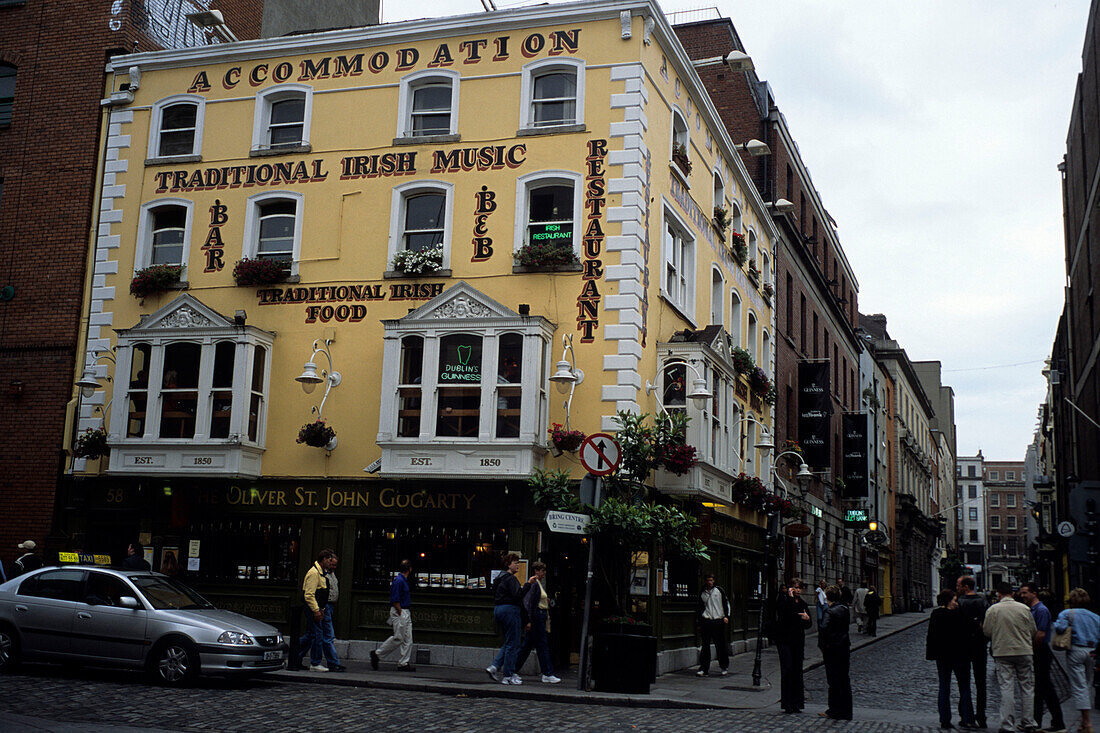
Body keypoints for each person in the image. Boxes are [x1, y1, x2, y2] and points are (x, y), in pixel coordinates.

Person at [983, 581, 1038, 733]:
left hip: (1003, 651)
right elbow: (1033, 630)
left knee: (1006, 688)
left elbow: (987, 631)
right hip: (1024, 650)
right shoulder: (1024, 609)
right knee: (1027, 687)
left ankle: (1007, 724)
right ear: (1013, 594)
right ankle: (1028, 721)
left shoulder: (993, 610)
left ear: (998, 594)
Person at [1020, 582, 1066, 733]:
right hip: (1037, 650)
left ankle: (1058, 722)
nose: (1022, 596)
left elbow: (1040, 634)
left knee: (1046, 688)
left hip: (1041, 651)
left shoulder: (1041, 610)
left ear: (1034, 593)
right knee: (1039, 689)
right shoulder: (1032, 609)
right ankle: (1036, 721)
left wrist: (1031, 650)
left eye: (1025, 593)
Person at [927, 589, 976, 730]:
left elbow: (931, 636)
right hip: (960, 656)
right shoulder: (960, 614)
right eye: (954, 600)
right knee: (964, 687)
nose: (956, 603)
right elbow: (968, 633)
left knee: (944, 687)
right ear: (948, 601)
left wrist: (932, 654)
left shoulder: (936, 614)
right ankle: (967, 718)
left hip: (943, 657)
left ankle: (945, 719)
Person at [1053, 588, 1100, 733]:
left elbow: (1060, 629)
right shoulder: (1096, 617)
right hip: (1092, 651)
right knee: (1086, 685)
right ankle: (1083, 723)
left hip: (1076, 650)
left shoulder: (1067, 614)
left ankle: (1087, 723)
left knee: (1079, 687)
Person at [487, 553, 533, 685]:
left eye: (518, 562)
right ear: (508, 564)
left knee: (508, 641)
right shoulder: (510, 579)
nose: (518, 565)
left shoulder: (499, 578)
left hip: (498, 609)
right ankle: (508, 675)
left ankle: (494, 666)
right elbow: (518, 596)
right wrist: (528, 584)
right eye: (515, 562)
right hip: (510, 610)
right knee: (513, 643)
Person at [514, 561, 560, 684]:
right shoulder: (534, 584)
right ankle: (547, 673)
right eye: (542, 571)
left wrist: (546, 601)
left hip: (539, 616)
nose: (544, 573)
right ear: (536, 571)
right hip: (537, 617)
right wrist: (528, 620)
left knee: (527, 646)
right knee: (542, 645)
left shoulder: (538, 583)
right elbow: (528, 603)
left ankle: (512, 669)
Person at [298, 549, 344, 672]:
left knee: (312, 634)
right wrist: (317, 610)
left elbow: (323, 593)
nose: (331, 564)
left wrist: (321, 609)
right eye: (329, 561)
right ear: (323, 559)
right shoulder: (314, 573)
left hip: (320, 608)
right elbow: (309, 595)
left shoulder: (321, 573)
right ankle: (315, 662)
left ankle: (295, 656)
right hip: (314, 608)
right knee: (317, 635)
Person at [775, 577, 813, 714]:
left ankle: (797, 703)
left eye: (799, 588)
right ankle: (787, 703)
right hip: (785, 641)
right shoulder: (784, 601)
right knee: (787, 670)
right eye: (795, 587)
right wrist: (789, 598)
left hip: (798, 641)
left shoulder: (803, 603)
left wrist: (807, 619)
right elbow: (785, 616)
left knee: (797, 671)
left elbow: (809, 624)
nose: (797, 590)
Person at [956, 576, 990, 729]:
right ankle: (981, 716)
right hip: (979, 645)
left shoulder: (959, 602)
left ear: (966, 587)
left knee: (964, 682)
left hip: (963, 645)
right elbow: (986, 624)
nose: (957, 587)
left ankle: (965, 715)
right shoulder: (982, 602)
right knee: (981, 682)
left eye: (959, 585)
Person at [371, 559, 415, 672]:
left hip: (403, 610)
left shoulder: (400, 580)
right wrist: (400, 612)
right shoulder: (399, 581)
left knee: (407, 639)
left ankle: (403, 663)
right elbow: (395, 599)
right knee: (399, 638)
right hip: (401, 610)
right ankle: (378, 654)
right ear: (409, 569)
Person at [818, 584, 853, 721]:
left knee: (833, 680)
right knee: (844, 679)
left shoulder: (830, 611)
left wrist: (823, 645)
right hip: (844, 648)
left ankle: (834, 710)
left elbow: (823, 628)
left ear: (827, 597)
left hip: (832, 649)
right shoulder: (845, 609)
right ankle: (846, 711)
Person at [696, 572, 731, 677]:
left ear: (714, 581)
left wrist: (726, 616)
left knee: (720, 645)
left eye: (711, 580)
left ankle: (724, 666)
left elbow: (726, 603)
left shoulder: (719, 591)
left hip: (718, 620)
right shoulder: (703, 592)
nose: (710, 582)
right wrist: (699, 621)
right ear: (705, 581)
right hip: (706, 620)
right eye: (708, 580)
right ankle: (704, 669)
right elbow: (700, 607)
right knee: (705, 646)